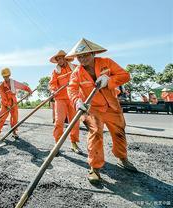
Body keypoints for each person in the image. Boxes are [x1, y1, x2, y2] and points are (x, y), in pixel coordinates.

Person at [67, 38, 137, 183]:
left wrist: (109, 81)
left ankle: (122, 158)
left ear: (93, 53)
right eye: (79, 56)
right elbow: (72, 89)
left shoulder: (107, 63)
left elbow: (125, 75)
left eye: (86, 55)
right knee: (95, 133)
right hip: (92, 109)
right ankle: (95, 168)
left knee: (119, 132)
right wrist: (77, 101)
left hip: (112, 107)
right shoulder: (77, 72)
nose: (82, 59)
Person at [49, 50, 82, 155]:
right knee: (59, 121)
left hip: (73, 98)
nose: (59, 60)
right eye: (57, 59)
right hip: (60, 98)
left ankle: (74, 143)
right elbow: (52, 84)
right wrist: (53, 90)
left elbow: (82, 76)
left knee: (75, 122)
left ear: (65, 58)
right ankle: (57, 144)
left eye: (61, 58)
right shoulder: (55, 72)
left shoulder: (75, 67)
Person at [0, 68, 32, 139]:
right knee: (2, 117)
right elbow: (3, 97)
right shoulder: (2, 86)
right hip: (5, 103)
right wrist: (7, 105)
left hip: (13, 102)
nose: (6, 78)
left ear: (9, 75)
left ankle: (14, 132)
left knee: (14, 117)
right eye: (4, 76)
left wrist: (29, 90)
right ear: (3, 77)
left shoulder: (13, 82)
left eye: (7, 76)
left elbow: (22, 86)